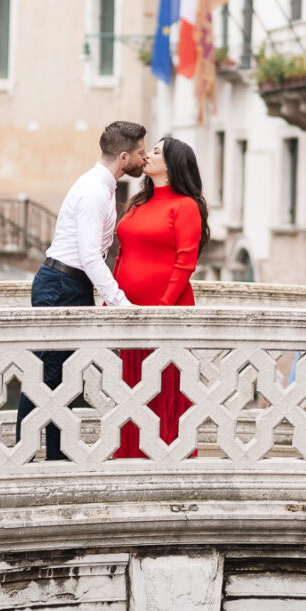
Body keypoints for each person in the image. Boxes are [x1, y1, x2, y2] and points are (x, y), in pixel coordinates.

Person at [16, 120, 147, 460]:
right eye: (140, 153)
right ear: (123, 157)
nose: (144, 159)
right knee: (45, 373)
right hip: (62, 284)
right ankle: (23, 456)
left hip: (68, 283)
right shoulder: (93, 191)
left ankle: (56, 456)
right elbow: (90, 255)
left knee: (61, 378)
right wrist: (119, 302)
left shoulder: (100, 186)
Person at [112, 137, 208, 455]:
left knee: (166, 386)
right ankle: (131, 454)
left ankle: (170, 457)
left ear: (173, 163)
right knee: (131, 386)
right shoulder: (139, 202)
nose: (148, 155)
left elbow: (185, 263)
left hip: (166, 311)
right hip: (128, 310)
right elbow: (123, 255)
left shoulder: (185, 206)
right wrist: (111, 296)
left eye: (156, 151)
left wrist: (163, 308)